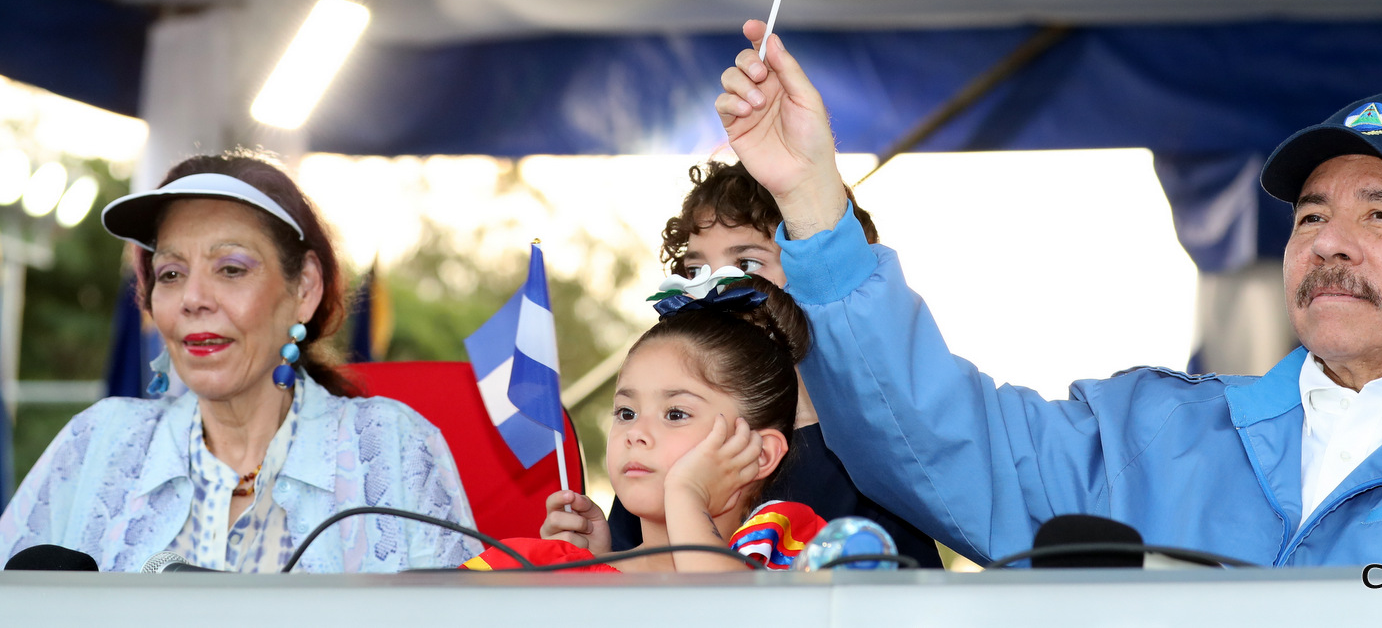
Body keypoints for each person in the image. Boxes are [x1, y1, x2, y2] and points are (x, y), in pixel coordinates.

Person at [714, 20, 1382, 566]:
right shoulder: (1153, 432)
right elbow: (938, 437)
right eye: (1310, 215)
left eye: (1380, 213)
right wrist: (812, 200)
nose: (1329, 239)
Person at [0, 151, 478, 572]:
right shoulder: (97, 443)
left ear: (305, 288)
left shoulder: (391, 445)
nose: (193, 298)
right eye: (171, 274)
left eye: (230, 269)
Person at [604, 161, 943, 569]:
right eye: (694, 269)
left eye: (746, 265)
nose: (710, 287)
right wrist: (594, 552)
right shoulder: (659, 448)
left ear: (823, 275)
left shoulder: (870, 456)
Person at [462, 279, 826, 572]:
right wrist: (594, 570)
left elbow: (728, 614)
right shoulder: (539, 571)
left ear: (760, 453)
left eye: (675, 414)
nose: (635, 433)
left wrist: (686, 494)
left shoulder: (793, 551)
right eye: (626, 413)